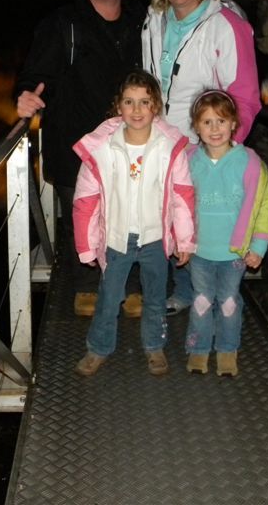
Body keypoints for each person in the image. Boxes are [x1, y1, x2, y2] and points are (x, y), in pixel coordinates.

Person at [14, 0, 145, 317]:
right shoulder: (62, 24)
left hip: (132, 140)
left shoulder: (144, 20)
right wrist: (24, 95)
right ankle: (87, 284)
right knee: (83, 215)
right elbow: (35, 75)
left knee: (133, 213)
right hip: (77, 141)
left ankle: (131, 283)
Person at [141, 0, 262, 316]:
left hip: (201, 144)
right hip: (159, 138)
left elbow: (244, 95)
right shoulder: (154, 19)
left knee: (200, 219)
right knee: (168, 217)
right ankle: (178, 289)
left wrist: (223, 151)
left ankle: (205, 293)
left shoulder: (225, 23)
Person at [72, 70, 196, 376]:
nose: (137, 110)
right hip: (116, 238)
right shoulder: (102, 148)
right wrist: (86, 246)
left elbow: (182, 196)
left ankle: (154, 347)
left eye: (144, 102)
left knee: (155, 298)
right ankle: (98, 348)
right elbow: (86, 200)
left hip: (155, 237)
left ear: (156, 106)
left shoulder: (170, 146)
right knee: (109, 299)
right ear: (119, 107)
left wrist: (184, 240)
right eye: (129, 102)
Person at [184, 90, 268, 377]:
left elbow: (265, 204)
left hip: (234, 251)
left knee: (228, 301)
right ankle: (198, 349)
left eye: (221, 121)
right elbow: (176, 202)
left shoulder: (249, 162)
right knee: (201, 300)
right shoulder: (188, 160)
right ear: (196, 126)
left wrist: (258, 246)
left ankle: (227, 348)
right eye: (207, 122)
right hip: (199, 250)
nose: (215, 129)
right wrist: (180, 239)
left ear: (234, 123)